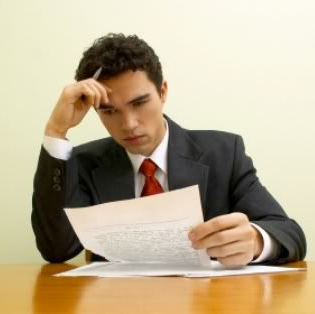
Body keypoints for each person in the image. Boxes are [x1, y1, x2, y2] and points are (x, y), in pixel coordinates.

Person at [31, 33, 306, 266]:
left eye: (139, 103)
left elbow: (290, 233)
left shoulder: (224, 152)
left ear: (163, 92)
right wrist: (56, 132)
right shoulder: (84, 162)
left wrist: (257, 241)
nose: (129, 124)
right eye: (109, 111)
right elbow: (57, 250)